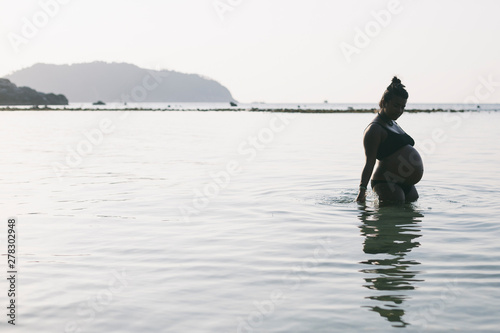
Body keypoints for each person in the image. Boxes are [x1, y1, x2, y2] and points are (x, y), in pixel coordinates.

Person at [356, 77, 423, 204]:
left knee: (410, 219)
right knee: (390, 219)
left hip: (405, 183)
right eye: (396, 106)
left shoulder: (393, 123)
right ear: (384, 102)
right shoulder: (374, 129)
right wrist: (362, 190)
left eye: (403, 107)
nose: (399, 111)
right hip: (386, 182)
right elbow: (369, 162)